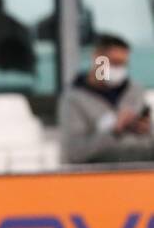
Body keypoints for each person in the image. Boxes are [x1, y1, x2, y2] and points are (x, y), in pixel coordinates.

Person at [62, 35, 154, 163]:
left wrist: (146, 129)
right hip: (99, 176)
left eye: (123, 64)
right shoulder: (73, 100)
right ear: (97, 58)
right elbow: (74, 153)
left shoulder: (135, 91)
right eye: (114, 62)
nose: (118, 69)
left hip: (139, 172)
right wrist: (114, 129)